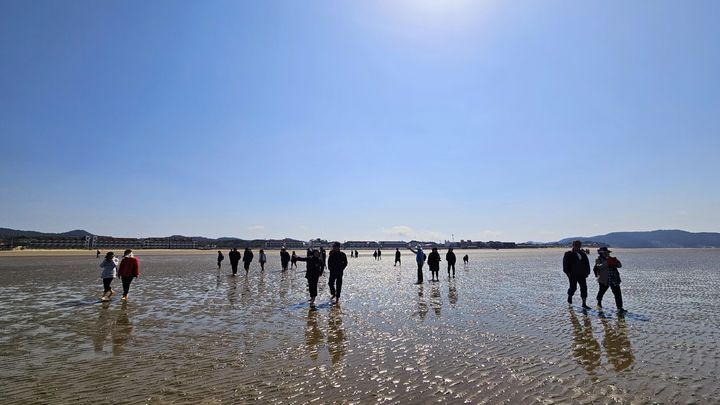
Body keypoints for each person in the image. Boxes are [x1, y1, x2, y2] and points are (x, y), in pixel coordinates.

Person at [594, 247, 625, 312]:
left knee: (618, 294)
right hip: (604, 280)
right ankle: (599, 302)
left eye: (607, 252)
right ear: (601, 253)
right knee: (601, 292)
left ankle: (620, 307)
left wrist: (615, 263)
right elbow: (599, 266)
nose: (606, 254)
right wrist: (607, 263)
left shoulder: (612, 258)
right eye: (605, 253)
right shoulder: (598, 259)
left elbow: (620, 265)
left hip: (614, 279)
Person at [563, 240, 591, 308]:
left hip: (582, 275)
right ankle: (570, 296)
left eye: (579, 245)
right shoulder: (568, 254)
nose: (577, 246)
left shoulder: (583, 254)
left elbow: (587, 264)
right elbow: (565, 264)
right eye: (576, 245)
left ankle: (584, 304)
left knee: (584, 288)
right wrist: (568, 273)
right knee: (573, 288)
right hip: (572, 274)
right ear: (573, 245)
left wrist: (587, 273)